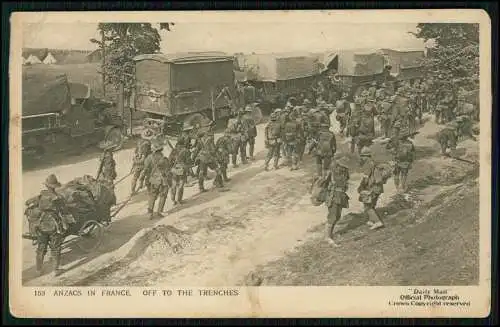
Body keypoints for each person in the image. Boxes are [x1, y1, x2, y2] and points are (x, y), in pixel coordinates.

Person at [35, 174, 74, 276]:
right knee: (55, 247)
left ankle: (38, 270)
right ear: (54, 186)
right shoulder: (57, 198)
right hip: (53, 224)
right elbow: (64, 210)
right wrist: (70, 220)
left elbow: (34, 204)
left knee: (41, 247)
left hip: (41, 224)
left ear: (47, 186)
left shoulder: (41, 195)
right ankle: (55, 271)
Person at [357, 147, 390, 230]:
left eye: (362, 156)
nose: (362, 158)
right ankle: (372, 220)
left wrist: (360, 187)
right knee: (372, 204)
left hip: (372, 187)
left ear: (366, 156)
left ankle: (377, 222)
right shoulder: (374, 163)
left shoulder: (368, 164)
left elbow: (365, 178)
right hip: (378, 187)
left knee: (367, 206)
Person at [323, 156, 350, 245]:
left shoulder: (345, 172)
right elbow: (326, 183)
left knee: (337, 216)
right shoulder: (333, 172)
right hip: (334, 196)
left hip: (341, 196)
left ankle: (330, 234)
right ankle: (327, 237)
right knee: (333, 216)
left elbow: (346, 182)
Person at [143, 142, 171, 219]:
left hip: (153, 180)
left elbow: (145, 169)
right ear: (160, 150)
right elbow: (168, 170)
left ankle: (150, 213)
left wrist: (145, 179)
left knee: (152, 195)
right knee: (163, 195)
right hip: (163, 180)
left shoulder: (149, 158)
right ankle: (160, 211)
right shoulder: (164, 158)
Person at [192, 128, 224, 192]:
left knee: (202, 173)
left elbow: (196, 151)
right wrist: (217, 155)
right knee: (217, 170)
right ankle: (217, 183)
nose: (208, 135)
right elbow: (213, 150)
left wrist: (194, 158)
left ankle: (202, 187)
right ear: (204, 135)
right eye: (206, 134)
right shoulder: (208, 141)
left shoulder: (200, 142)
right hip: (207, 158)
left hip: (204, 158)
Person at [170, 138, 192, 205]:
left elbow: (169, 160)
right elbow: (188, 161)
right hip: (182, 169)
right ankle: (179, 200)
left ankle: (173, 200)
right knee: (181, 185)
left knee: (173, 185)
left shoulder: (173, 150)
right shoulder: (186, 151)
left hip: (174, 169)